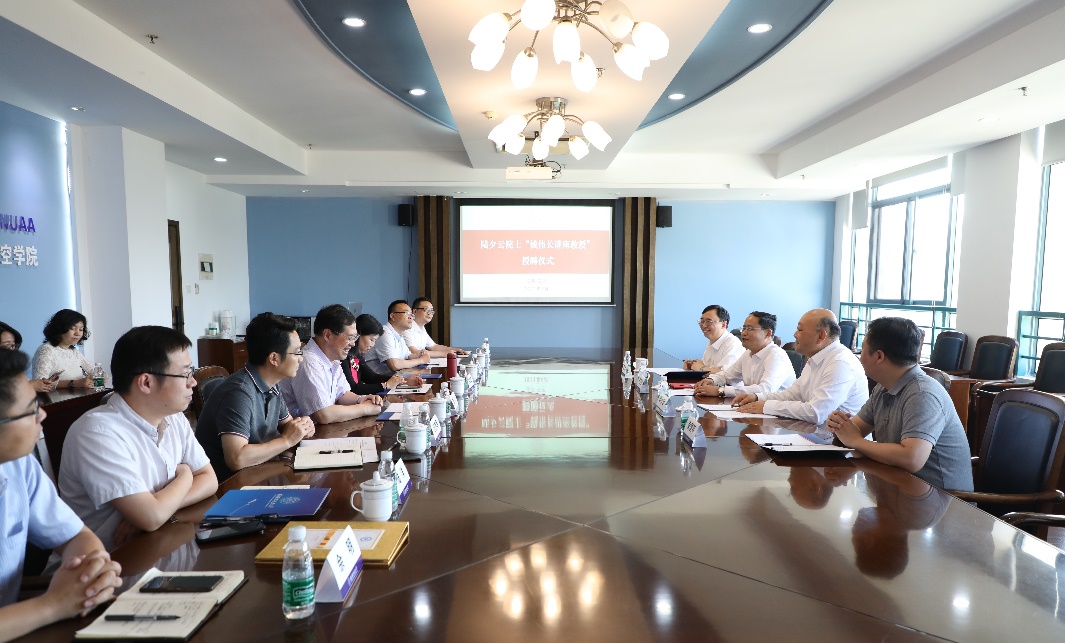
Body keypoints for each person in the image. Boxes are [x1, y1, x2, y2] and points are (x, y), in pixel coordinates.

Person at [59, 326, 219, 551]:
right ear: (146, 382)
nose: (193, 382)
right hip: (112, 562)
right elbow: (151, 517)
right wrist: (184, 475)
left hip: (162, 544)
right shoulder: (97, 432)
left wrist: (163, 507)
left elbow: (209, 480)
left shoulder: (173, 417)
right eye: (185, 374)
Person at [0, 349, 122, 639]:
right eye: (31, 409)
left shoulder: (18, 464)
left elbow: (76, 536)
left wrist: (91, 576)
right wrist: (53, 605)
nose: (42, 414)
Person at [825, 317, 973, 491]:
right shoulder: (883, 387)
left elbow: (912, 459)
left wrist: (856, 441)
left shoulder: (922, 393)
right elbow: (854, 430)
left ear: (879, 356)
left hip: (943, 499)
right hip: (899, 488)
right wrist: (839, 424)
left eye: (862, 349)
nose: (859, 357)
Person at [196, 313, 316, 482]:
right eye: (297, 352)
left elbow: (287, 426)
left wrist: (302, 428)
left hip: (258, 474)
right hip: (229, 486)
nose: (301, 359)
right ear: (274, 358)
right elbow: (237, 459)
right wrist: (287, 440)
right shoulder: (238, 392)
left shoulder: (272, 383)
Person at [733, 309, 867, 424]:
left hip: (838, 442)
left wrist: (765, 406)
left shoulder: (840, 363)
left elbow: (815, 413)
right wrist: (757, 397)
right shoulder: (815, 358)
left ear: (821, 335)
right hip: (814, 434)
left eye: (800, 329)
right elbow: (791, 395)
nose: (795, 334)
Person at [278, 304, 383, 423]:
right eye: (349, 338)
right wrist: (365, 409)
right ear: (328, 335)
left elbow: (341, 394)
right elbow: (323, 415)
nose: (353, 344)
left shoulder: (333, 359)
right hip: (304, 432)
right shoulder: (309, 362)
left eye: (355, 338)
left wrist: (360, 399)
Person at [694, 311, 795, 397]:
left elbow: (765, 390)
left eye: (750, 329)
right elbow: (727, 376)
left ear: (768, 333)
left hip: (777, 411)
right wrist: (711, 380)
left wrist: (721, 391)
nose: (744, 333)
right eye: (744, 328)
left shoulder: (776, 355)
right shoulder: (748, 353)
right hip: (755, 406)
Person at [341, 314, 422, 395]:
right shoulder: (343, 357)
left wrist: (403, 380)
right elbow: (353, 389)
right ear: (358, 335)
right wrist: (385, 385)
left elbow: (371, 377)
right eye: (371, 340)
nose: (372, 345)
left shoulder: (357, 355)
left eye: (375, 341)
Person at [30, 309, 94, 389]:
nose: (77, 333)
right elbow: (40, 383)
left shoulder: (73, 351)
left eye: (81, 329)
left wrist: (98, 376)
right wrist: (73, 383)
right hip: (54, 396)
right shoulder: (46, 350)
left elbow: (94, 371)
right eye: (72, 328)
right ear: (59, 328)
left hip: (77, 395)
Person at [364, 300, 432, 373]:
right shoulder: (385, 333)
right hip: (377, 378)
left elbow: (408, 356)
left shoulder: (399, 334)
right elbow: (394, 365)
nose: (411, 317)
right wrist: (421, 360)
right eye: (406, 313)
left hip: (395, 376)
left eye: (411, 314)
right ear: (393, 316)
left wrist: (421, 354)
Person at [683, 305, 744, 373]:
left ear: (723, 324)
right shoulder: (712, 342)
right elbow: (709, 367)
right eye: (702, 321)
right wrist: (693, 365)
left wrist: (701, 368)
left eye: (708, 321)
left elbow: (726, 375)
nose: (703, 325)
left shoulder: (733, 345)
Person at [0, 321, 57, 393]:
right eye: (6, 346)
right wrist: (29, 385)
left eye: (13, 345)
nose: (12, 350)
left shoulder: (11, 366)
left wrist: (41, 383)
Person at [403, 297, 468, 358]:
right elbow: (415, 352)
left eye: (431, 310)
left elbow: (434, 346)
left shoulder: (422, 328)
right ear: (415, 311)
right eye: (426, 309)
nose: (429, 313)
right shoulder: (406, 328)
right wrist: (443, 353)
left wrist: (454, 350)